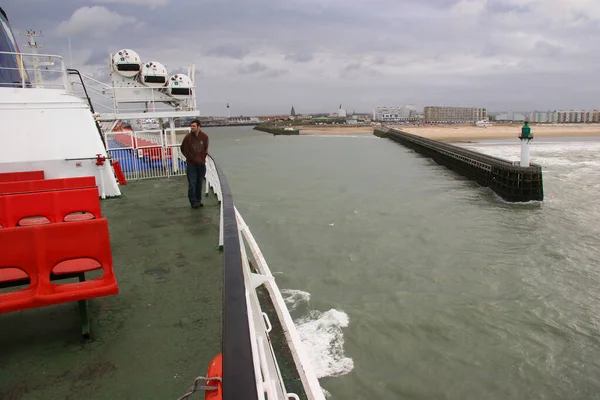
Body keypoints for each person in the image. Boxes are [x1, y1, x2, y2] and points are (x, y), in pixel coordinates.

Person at [180, 119, 209, 208]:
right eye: (191, 126)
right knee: (192, 183)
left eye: (194, 126)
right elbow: (183, 149)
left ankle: (198, 200)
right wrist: (191, 158)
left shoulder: (204, 137)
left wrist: (202, 157)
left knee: (199, 183)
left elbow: (205, 148)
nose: (192, 128)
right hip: (191, 165)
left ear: (199, 127)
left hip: (201, 164)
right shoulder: (188, 138)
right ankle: (193, 202)